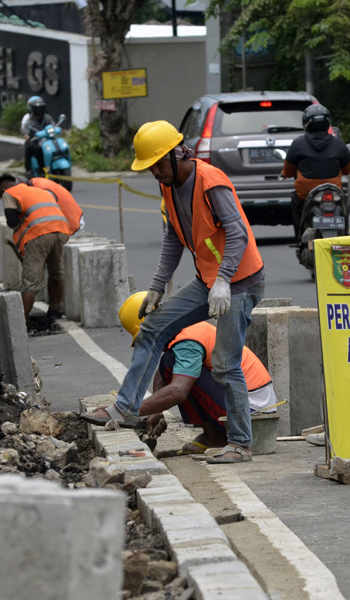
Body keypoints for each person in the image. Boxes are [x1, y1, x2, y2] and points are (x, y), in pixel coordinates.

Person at [80, 120, 265, 464]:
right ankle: (125, 408)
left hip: (239, 282)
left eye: (156, 165)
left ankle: (240, 444)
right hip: (209, 279)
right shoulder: (169, 184)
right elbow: (172, 238)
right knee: (152, 328)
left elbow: (238, 234)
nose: (153, 173)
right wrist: (157, 286)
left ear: (176, 154)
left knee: (225, 364)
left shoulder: (211, 182)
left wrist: (225, 279)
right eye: (148, 167)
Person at [117, 292, 276, 455]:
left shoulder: (188, 341)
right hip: (254, 407)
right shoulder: (187, 329)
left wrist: (126, 411)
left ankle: (215, 437)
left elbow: (178, 391)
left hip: (252, 412)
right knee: (170, 362)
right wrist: (156, 410)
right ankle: (214, 435)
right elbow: (164, 371)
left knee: (175, 368)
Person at [0, 172, 83, 321]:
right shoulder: (38, 190)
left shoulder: (8, 193)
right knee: (56, 272)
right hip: (61, 229)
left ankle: (22, 322)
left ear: (2, 190)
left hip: (40, 234)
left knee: (30, 281)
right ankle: (54, 310)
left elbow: (12, 222)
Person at [281, 104, 350, 240]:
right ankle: (345, 235)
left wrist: (284, 173)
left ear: (305, 123)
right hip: (334, 193)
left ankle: (299, 238)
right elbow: (347, 170)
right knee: (344, 206)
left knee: (296, 205)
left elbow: (289, 172)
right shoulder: (339, 144)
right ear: (328, 123)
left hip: (305, 194)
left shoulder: (298, 144)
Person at [21, 96, 55, 177]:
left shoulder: (47, 118)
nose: (39, 111)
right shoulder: (29, 119)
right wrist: (28, 137)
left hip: (47, 139)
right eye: (37, 109)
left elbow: (53, 126)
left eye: (41, 108)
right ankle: (31, 169)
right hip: (34, 140)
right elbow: (25, 131)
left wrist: (58, 129)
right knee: (34, 148)